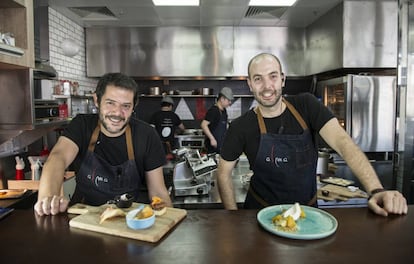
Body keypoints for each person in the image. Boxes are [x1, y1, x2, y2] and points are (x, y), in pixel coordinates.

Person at [217, 53, 408, 216]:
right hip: (259, 215)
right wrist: (234, 219)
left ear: (283, 79)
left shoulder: (307, 106)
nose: (267, 86)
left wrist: (376, 190)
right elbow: (223, 174)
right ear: (250, 84)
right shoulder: (241, 126)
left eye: (273, 76)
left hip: (307, 216)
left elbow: (343, 143)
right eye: (258, 79)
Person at [34, 72, 172, 216]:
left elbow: (158, 192)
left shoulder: (147, 135)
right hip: (83, 219)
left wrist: (168, 219)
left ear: (133, 107)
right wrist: (48, 197)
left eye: (125, 106)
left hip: (129, 220)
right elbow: (58, 157)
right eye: (110, 103)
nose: (117, 113)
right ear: (96, 100)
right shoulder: (81, 125)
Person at [201, 87, 234, 154]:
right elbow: (203, 125)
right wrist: (212, 139)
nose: (230, 103)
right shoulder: (213, 111)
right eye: (228, 100)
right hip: (212, 147)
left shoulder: (224, 110)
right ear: (222, 99)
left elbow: (224, 125)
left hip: (220, 146)